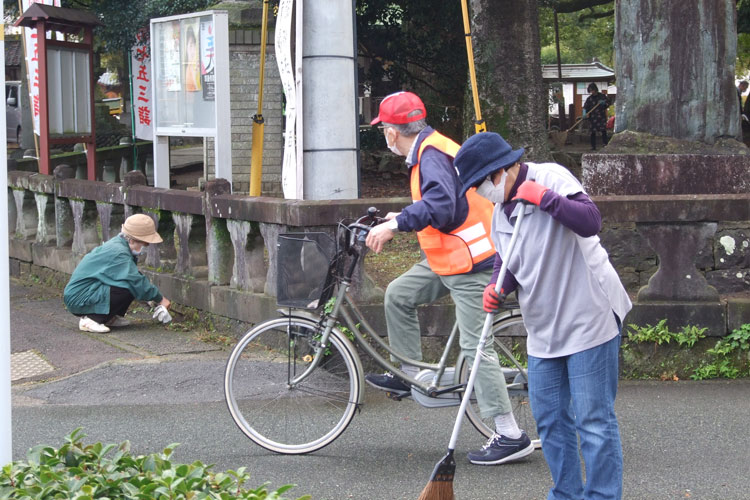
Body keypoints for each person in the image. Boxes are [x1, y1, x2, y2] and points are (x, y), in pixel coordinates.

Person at [453, 131, 632, 499]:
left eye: (478, 184)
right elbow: (508, 258)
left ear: (499, 172)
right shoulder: (498, 213)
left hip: (589, 316)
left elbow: (590, 220)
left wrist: (546, 199)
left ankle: (601, 496)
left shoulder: (549, 177)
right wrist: (497, 287)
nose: (478, 193)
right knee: (550, 420)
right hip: (543, 328)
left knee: (593, 421)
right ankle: (565, 494)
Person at [364, 91, 534, 465]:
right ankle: (410, 374)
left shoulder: (431, 155)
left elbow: (441, 205)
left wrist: (397, 225)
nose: (385, 137)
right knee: (398, 294)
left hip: (473, 261)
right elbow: (440, 205)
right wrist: (399, 217)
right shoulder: (429, 149)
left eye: (384, 131)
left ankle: (510, 434)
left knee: (476, 349)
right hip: (449, 256)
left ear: (393, 132)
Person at [64, 214, 173, 333]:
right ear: (131, 240)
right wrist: (161, 299)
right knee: (128, 286)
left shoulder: (120, 246)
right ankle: (91, 319)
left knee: (129, 285)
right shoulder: (119, 252)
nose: (146, 247)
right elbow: (135, 280)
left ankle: (108, 317)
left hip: (86, 292)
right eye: (145, 243)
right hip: (79, 297)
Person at [583, 83, 610, 150]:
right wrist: (584, 113)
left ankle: (605, 144)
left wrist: (604, 103)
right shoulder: (589, 99)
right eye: (590, 91)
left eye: (592, 90)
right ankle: (593, 146)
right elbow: (585, 107)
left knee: (603, 130)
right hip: (593, 118)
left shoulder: (602, 96)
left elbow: (608, 103)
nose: (591, 92)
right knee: (593, 132)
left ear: (595, 89)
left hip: (601, 117)